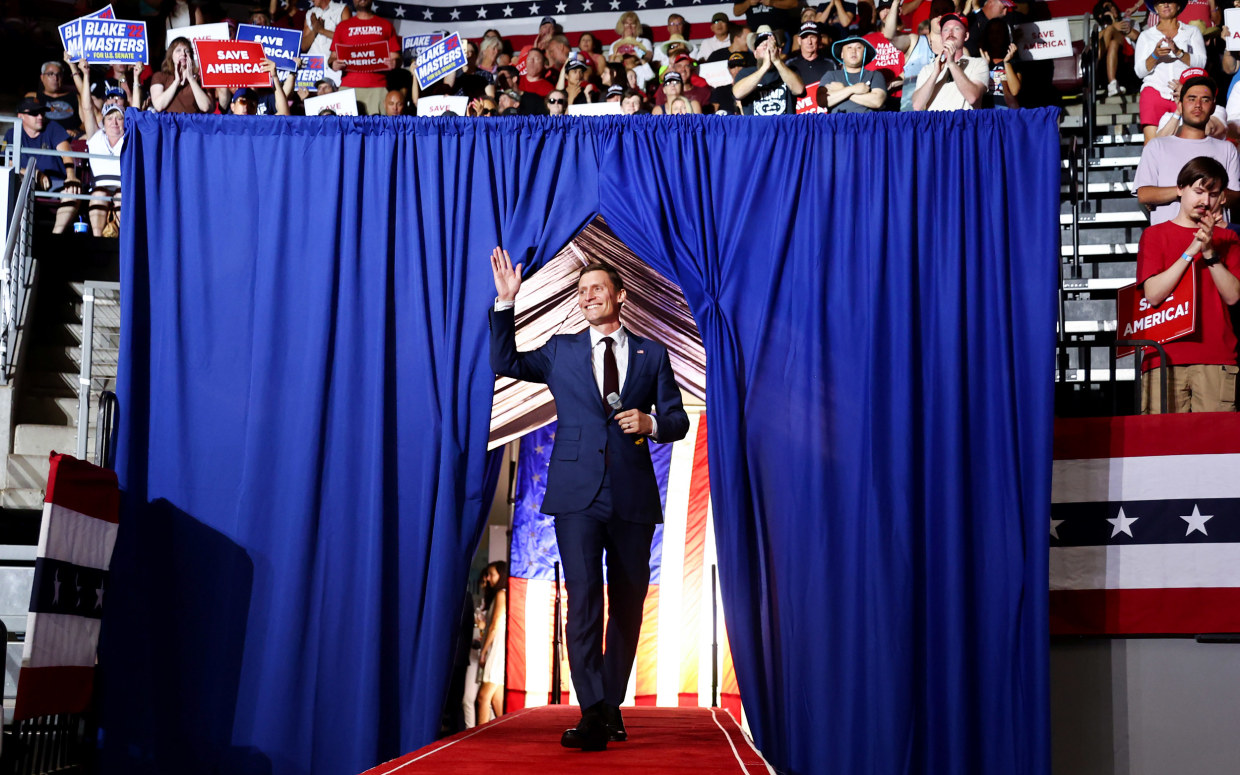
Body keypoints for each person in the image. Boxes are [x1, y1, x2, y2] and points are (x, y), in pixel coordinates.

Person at [488, 249, 689, 751]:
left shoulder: (653, 354)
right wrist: (506, 302)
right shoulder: (561, 350)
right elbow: (505, 361)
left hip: (632, 497)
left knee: (627, 605)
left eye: (596, 288)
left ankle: (608, 706)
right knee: (583, 602)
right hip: (577, 496)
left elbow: (678, 420)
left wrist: (652, 423)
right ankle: (595, 712)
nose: (587, 295)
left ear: (621, 295)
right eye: (582, 291)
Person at [1136, 156, 1240, 412]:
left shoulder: (1228, 238)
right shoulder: (1154, 235)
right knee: (1162, 446)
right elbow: (1153, 294)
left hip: (1216, 356)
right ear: (1181, 189)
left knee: (1216, 447)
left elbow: (1233, 296)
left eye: (1213, 194)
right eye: (1199, 191)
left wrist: (1208, 252)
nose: (1205, 201)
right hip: (1164, 356)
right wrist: (1191, 250)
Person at [1135, 69, 1240, 224]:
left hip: (1212, 238)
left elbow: (1235, 196)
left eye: (1205, 99)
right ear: (1180, 103)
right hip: (1168, 239)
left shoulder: (1226, 149)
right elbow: (1144, 194)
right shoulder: (1156, 146)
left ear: (1213, 106)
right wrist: (1185, 191)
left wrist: (1199, 192)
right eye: (1191, 99)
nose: (1197, 105)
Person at [1135, 0, 1207, 143]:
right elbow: (1139, 71)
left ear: (1178, 5)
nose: (1165, 5)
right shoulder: (1146, 36)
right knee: (1152, 143)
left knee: (1186, 141)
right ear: (1155, 8)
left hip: (1183, 92)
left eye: (1170, 1)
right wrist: (1155, 55)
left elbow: (1201, 64)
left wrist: (1178, 52)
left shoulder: (1192, 32)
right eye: (1161, 3)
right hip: (1154, 90)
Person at [3, 99, 80, 234]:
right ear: (20, 116)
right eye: (34, 113)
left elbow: (66, 153)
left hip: (56, 182)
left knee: (72, 193)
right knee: (15, 186)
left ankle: (55, 237)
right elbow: (6, 161)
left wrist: (71, 176)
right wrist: (31, 173)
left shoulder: (52, 127)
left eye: (42, 113)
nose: (40, 117)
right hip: (26, 183)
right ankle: (19, 234)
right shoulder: (12, 133)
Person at [328, 0, 400, 115]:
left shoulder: (385, 25)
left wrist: (395, 62)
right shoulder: (342, 27)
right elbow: (332, 58)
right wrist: (333, 64)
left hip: (378, 87)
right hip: (348, 88)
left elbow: (396, 57)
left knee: (379, 131)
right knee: (346, 131)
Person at [912, 12, 988, 110]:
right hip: (936, 124)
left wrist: (951, 64)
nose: (950, 33)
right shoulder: (928, 69)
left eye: (956, 29)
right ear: (941, 37)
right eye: (946, 29)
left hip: (963, 123)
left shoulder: (978, 64)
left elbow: (973, 98)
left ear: (966, 36)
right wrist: (935, 73)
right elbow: (917, 105)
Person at [733, 25, 806, 115]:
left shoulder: (790, 70)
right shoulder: (745, 73)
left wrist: (777, 61)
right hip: (758, 128)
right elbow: (737, 93)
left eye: (769, 43)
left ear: (778, 51)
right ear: (755, 53)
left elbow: (799, 90)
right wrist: (764, 67)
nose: (765, 47)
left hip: (783, 128)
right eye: (760, 44)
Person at [476, 561, 508, 725]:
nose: (488, 578)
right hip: (496, 648)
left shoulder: (502, 594)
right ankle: (506, 735)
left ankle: (480, 737)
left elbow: (494, 625)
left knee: (482, 698)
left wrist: (484, 651)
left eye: (491, 574)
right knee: (497, 701)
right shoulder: (500, 594)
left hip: (496, 649)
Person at [819, 36, 888, 112]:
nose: (853, 51)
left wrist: (842, 89)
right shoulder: (831, 75)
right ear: (842, 54)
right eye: (849, 47)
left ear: (864, 53)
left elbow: (877, 101)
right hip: (839, 122)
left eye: (858, 48)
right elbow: (822, 101)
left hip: (866, 122)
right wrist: (853, 89)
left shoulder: (875, 75)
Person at [150, 37, 216, 113]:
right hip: (169, 123)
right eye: (178, 50)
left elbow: (206, 107)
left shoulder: (200, 79)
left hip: (192, 123)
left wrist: (191, 79)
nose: (183, 54)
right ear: (171, 55)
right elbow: (159, 106)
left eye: (186, 51)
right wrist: (176, 82)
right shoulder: (160, 76)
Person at [303, 0, 351, 87]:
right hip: (312, 68)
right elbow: (304, 46)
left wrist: (322, 30)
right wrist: (315, 30)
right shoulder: (310, 13)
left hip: (333, 66)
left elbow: (347, 39)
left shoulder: (342, 9)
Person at [32, 61, 82, 139]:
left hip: (70, 141)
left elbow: (87, 121)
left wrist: (77, 131)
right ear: (42, 77)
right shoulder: (34, 97)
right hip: (43, 141)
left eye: (59, 75)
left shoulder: (75, 97)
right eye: (50, 74)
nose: (55, 78)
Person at [787, 22, 834, 87]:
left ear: (819, 40)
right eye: (805, 37)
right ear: (799, 41)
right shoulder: (789, 65)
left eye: (813, 37)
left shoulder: (830, 64)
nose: (809, 42)